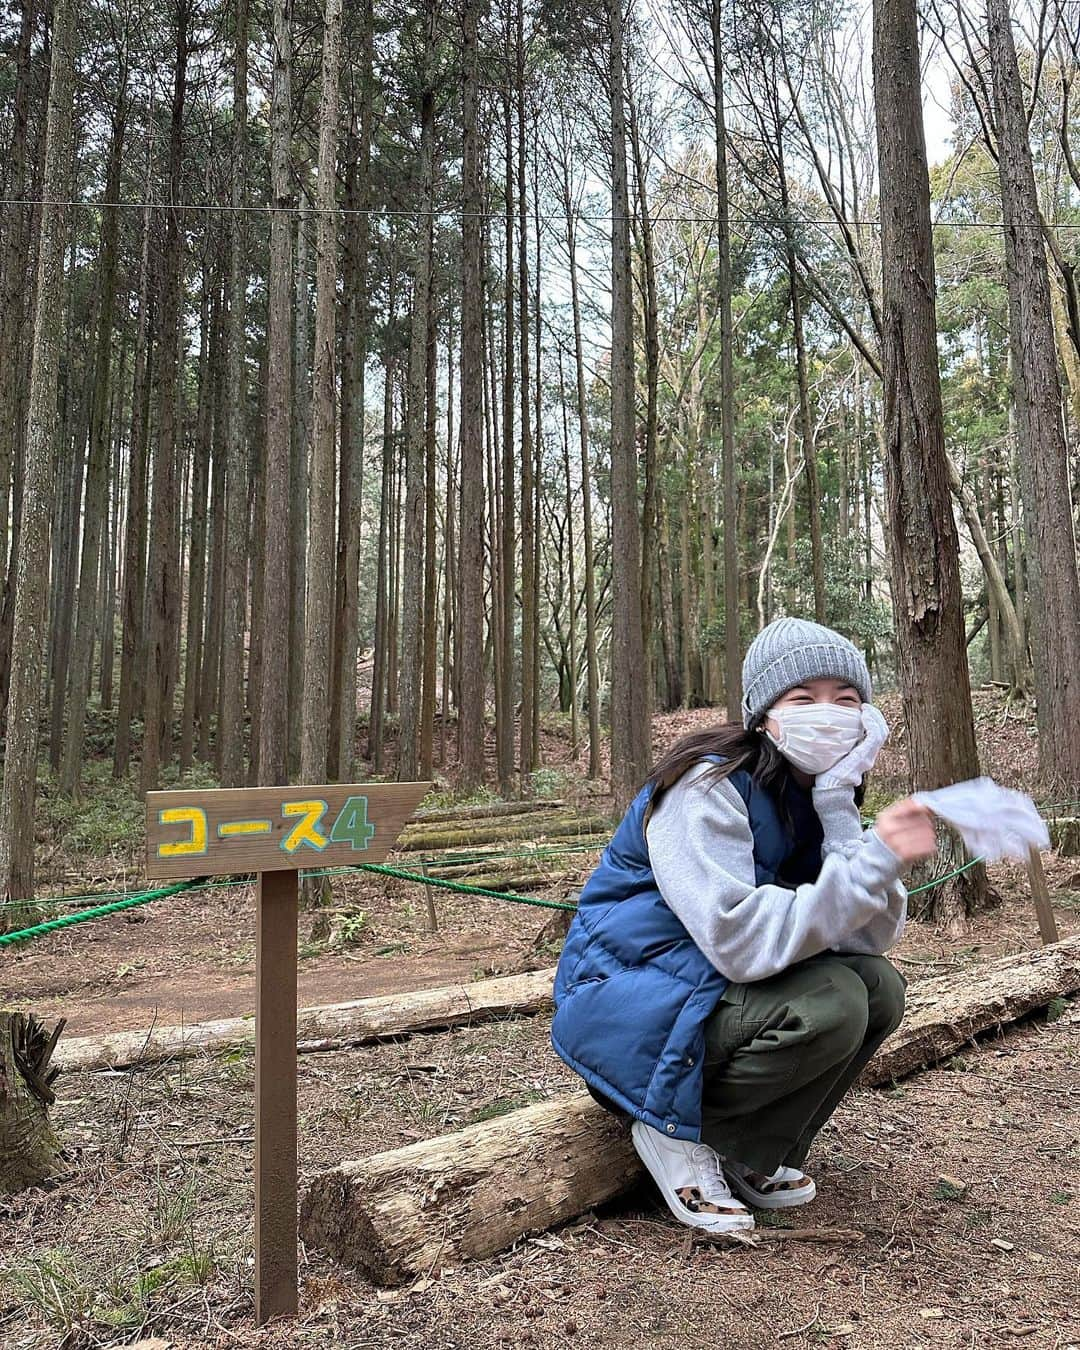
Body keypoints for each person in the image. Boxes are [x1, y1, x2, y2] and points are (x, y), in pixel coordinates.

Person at [551, 617, 938, 1234]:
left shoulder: (819, 795)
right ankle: (671, 1128)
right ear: (764, 714)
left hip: (703, 986)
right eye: (803, 699)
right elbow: (739, 939)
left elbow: (867, 937)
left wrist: (841, 809)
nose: (828, 715)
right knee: (833, 1001)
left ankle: (745, 1147)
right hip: (629, 1002)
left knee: (878, 987)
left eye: (846, 700)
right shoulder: (707, 785)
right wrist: (866, 869)